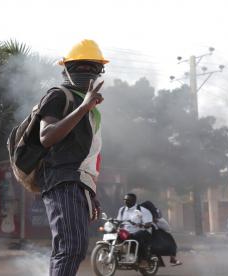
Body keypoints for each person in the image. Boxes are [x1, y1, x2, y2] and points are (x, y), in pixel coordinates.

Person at [37, 39, 107, 276]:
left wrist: (91, 191)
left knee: (74, 249)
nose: (86, 72)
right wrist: (83, 108)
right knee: (71, 248)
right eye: (80, 67)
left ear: (100, 72)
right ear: (67, 69)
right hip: (62, 179)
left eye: (92, 67)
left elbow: (87, 157)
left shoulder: (91, 109)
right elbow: (46, 137)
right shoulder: (59, 95)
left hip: (78, 183)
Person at [139, 201, 182, 266]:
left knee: (169, 240)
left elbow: (166, 228)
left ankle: (172, 258)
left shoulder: (156, 219)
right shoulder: (141, 215)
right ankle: (172, 258)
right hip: (149, 235)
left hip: (155, 235)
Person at [116, 193, 153, 261]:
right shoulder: (122, 210)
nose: (126, 201)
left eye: (128, 200)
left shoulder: (142, 210)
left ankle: (143, 260)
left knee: (137, 236)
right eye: (125, 199)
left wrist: (141, 225)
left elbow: (149, 224)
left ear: (134, 201)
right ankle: (117, 255)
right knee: (114, 235)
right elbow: (118, 221)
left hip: (141, 231)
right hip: (126, 232)